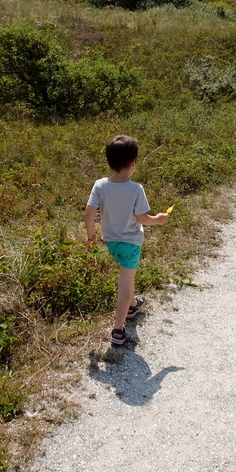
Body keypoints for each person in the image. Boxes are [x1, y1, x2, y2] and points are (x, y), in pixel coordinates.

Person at [85, 135, 170, 346]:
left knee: (127, 277)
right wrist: (158, 220)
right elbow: (142, 219)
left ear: (108, 162)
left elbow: (89, 212)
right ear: (133, 163)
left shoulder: (100, 185)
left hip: (110, 242)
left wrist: (90, 236)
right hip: (131, 243)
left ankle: (132, 304)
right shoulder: (135, 189)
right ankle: (118, 330)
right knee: (125, 284)